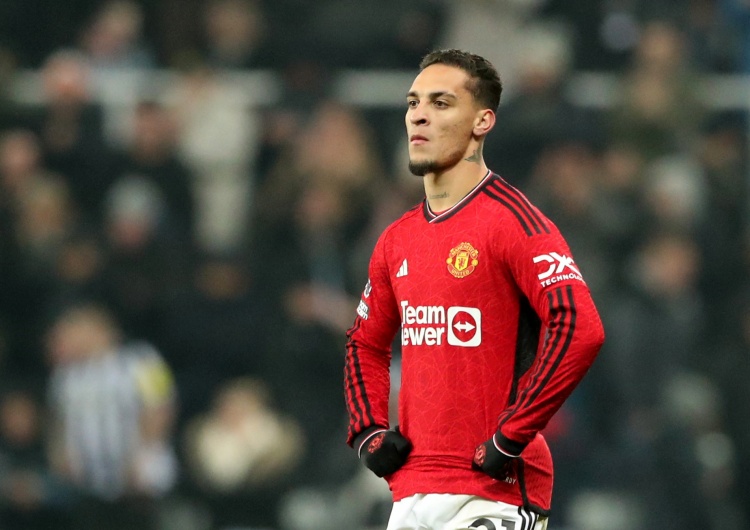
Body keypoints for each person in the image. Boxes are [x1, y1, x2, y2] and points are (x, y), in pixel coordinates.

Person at [343, 49, 605, 530]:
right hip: (411, 493)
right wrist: (367, 432)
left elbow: (580, 327)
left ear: (483, 121)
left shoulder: (514, 222)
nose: (419, 115)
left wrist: (511, 435)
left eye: (441, 103)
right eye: (413, 102)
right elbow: (365, 341)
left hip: (493, 492)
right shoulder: (396, 239)